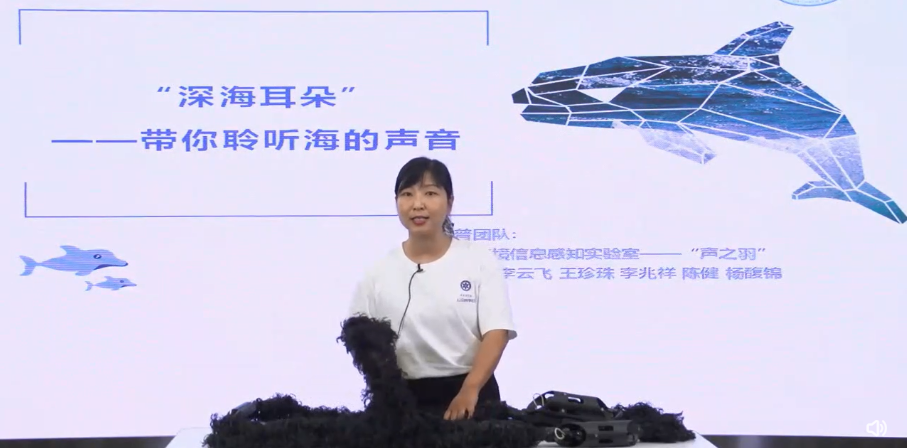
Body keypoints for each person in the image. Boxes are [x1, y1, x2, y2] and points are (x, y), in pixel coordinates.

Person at [348, 156, 517, 421]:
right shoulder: (377, 273)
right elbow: (360, 337)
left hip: (470, 395)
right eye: (407, 194)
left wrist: (470, 390)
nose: (418, 204)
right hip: (402, 400)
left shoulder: (478, 260)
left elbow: (497, 332)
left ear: (449, 202)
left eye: (430, 193)